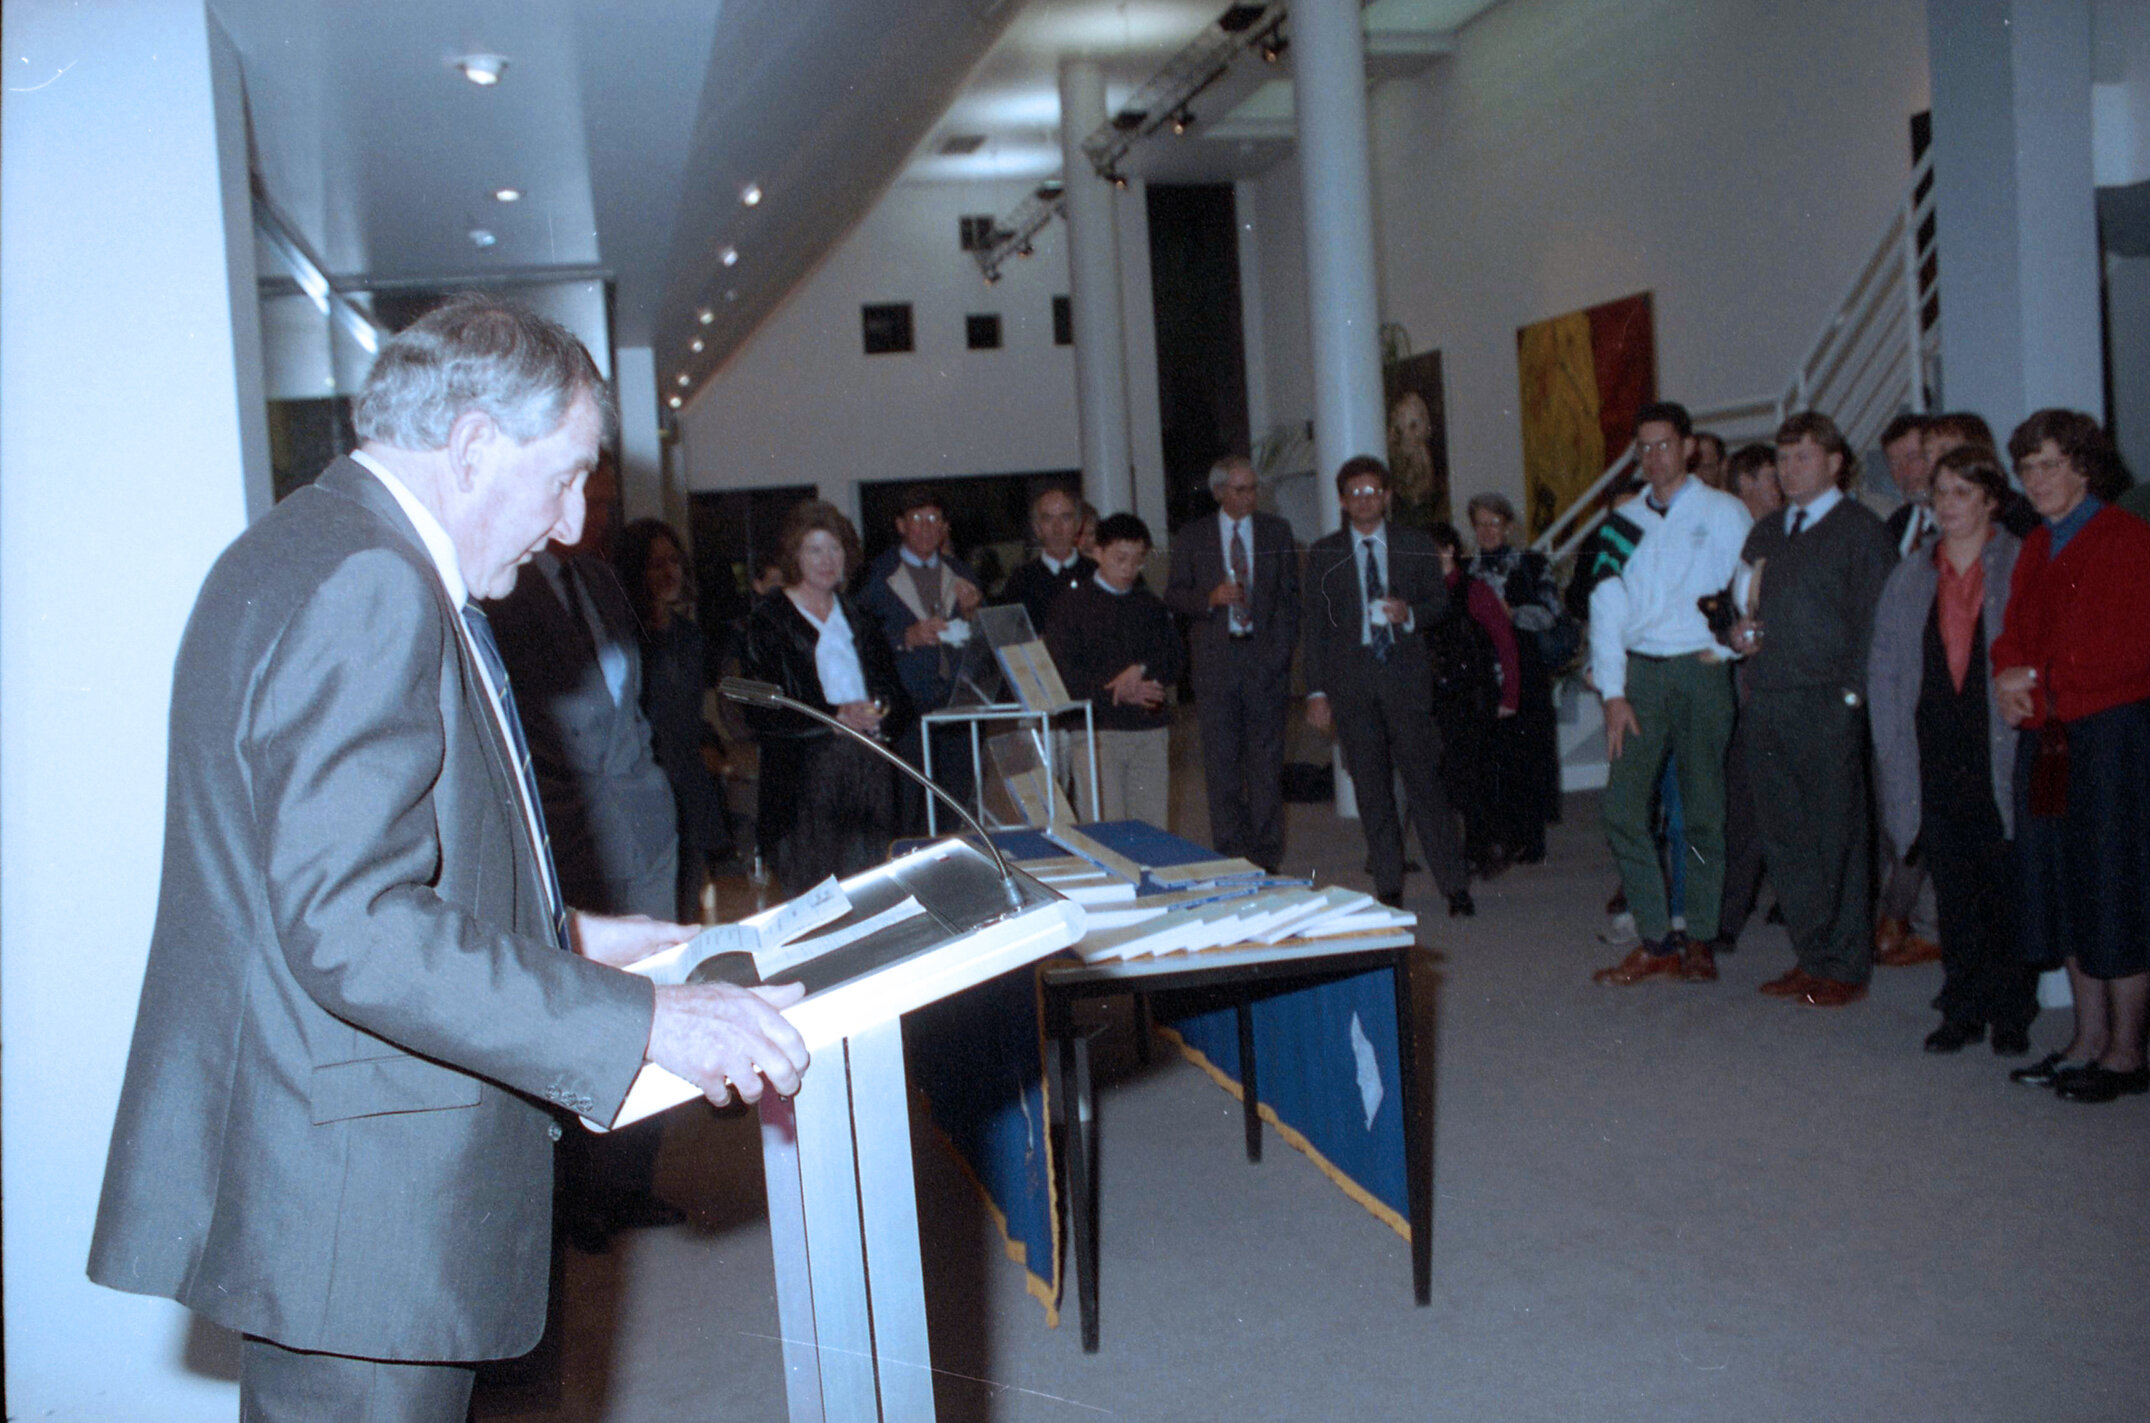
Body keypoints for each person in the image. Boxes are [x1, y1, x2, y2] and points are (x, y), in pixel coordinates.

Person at [85, 296, 808, 1421]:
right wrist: (642, 1022)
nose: (573, 525)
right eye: (564, 476)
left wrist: (566, 935)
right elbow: (352, 923)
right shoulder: (367, 581)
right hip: (365, 1211)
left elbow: (320, 878)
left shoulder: (314, 545)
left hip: (334, 1179)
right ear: (471, 447)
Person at [483, 459, 684, 1258]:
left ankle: (630, 1180)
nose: (592, 518)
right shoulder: (504, 585)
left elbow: (627, 706)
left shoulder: (603, 582)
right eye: (582, 501)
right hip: (569, 833)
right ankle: (578, 1196)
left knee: (657, 990)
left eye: (605, 505)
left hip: (642, 816)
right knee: (581, 1005)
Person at [1990, 409, 2150, 1102]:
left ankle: (2126, 1051)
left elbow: (2130, 651)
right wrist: (2007, 674)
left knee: (2115, 890)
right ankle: (2085, 1038)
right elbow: (2013, 632)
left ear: (2084, 466)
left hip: (2108, 739)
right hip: (2048, 739)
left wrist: (2045, 682)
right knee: (2063, 886)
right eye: (2026, 467)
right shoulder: (2035, 545)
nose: (2036, 479)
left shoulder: (2125, 539)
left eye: (2049, 464)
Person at [1867, 445, 2038, 1054]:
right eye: (1940, 493)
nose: (1949, 505)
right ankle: (1961, 1005)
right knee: (1954, 889)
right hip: (1932, 749)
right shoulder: (1911, 573)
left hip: (2000, 750)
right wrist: (1890, 749)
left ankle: (2011, 1010)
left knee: (2006, 883)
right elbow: (1885, 668)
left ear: (1992, 499)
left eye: (1964, 492)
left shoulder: (2021, 563)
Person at [1733, 411, 1896, 1008]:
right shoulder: (1767, 533)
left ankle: (1846, 964)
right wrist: (1736, 635)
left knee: (1838, 836)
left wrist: (1853, 697)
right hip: (1768, 696)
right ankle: (1812, 955)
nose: (1789, 468)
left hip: (1828, 701)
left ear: (1835, 463)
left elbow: (1878, 626)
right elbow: (1739, 606)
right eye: (1783, 457)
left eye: (1803, 456)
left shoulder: (1860, 531)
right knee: (1785, 835)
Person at [1585, 401, 1751, 986]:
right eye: (1644, 447)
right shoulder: (1621, 522)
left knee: (1703, 812)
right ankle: (1655, 937)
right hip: (1642, 676)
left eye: (1664, 445)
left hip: (1702, 674)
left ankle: (1699, 935)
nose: (1654, 458)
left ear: (1689, 449)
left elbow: (1749, 589)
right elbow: (1604, 608)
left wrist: (1729, 650)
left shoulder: (1726, 512)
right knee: (1623, 808)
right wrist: (1613, 691)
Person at [1304, 457, 1474, 916]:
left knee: (1426, 786)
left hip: (1404, 679)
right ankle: (1388, 885)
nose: (1364, 500)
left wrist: (1411, 613)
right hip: (1352, 685)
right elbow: (1315, 628)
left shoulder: (1414, 544)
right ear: (1342, 501)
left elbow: (1442, 602)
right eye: (1355, 493)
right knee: (1372, 791)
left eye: (1372, 491)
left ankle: (1455, 887)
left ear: (1387, 497)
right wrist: (1316, 692)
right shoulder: (1324, 553)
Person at [744, 501, 914, 890]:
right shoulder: (769, 621)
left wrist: (879, 710)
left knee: (872, 893)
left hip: (869, 774)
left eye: (834, 549)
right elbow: (758, 709)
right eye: (814, 549)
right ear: (795, 557)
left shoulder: (861, 619)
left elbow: (898, 699)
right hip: (805, 783)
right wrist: (835, 716)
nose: (827, 560)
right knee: (816, 904)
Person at [1165, 457, 1301, 871]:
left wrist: (1280, 654)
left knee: (1265, 764)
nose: (1249, 497)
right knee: (1221, 762)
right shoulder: (1193, 536)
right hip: (1216, 665)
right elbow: (1174, 595)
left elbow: (1291, 601)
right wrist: (1210, 598)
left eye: (1253, 489)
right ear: (1219, 492)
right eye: (1240, 489)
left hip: (1264, 663)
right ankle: (1229, 849)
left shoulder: (1277, 532)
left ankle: (1267, 853)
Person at [617, 517, 736, 922]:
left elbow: (688, 712)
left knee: (687, 906)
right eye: (656, 564)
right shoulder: (625, 637)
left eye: (674, 562)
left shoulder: (689, 635)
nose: (669, 573)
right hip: (648, 783)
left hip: (689, 782)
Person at [855, 485, 983, 820]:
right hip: (905, 708)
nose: (927, 527)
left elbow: (985, 641)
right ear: (900, 525)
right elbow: (860, 640)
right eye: (917, 519)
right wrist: (905, 638)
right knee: (908, 805)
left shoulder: (963, 574)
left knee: (956, 803)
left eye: (934, 519)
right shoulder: (876, 577)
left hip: (957, 706)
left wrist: (973, 615)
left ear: (945, 527)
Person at [1045, 513, 1182, 825]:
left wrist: (1140, 669)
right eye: (1121, 558)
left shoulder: (1149, 604)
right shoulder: (1071, 605)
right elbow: (1065, 677)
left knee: (1151, 830)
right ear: (1098, 552)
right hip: (1098, 733)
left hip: (1148, 731)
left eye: (1137, 560)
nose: (1129, 569)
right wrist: (1123, 691)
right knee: (1108, 828)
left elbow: (1175, 659)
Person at [1711, 442, 1784, 955]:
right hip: (1744, 689)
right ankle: (1728, 917)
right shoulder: (1739, 544)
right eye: (1755, 481)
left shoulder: (1792, 538)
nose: (1767, 489)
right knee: (1742, 807)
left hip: (1788, 690)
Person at [1466, 490, 1566, 865]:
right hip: (1483, 675)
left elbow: (1552, 612)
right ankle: (1500, 836)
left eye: (1495, 522)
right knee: (1492, 756)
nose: (1488, 530)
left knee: (1528, 755)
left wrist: (1510, 614)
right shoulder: (1467, 570)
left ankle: (1531, 837)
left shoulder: (1530, 562)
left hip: (1525, 671)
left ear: (1508, 526)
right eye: (1481, 524)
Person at [1430, 522, 1520, 874]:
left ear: (1450, 550)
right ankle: (1473, 849)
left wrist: (1510, 695)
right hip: (1441, 698)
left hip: (1475, 697)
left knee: (1477, 777)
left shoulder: (1474, 590)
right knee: (1455, 778)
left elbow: (1505, 644)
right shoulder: (1424, 593)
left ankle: (1481, 848)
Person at [1001, 485, 1094, 635]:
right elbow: (1011, 637)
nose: (1057, 528)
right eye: (1048, 519)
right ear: (1037, 529)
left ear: (1078, 525)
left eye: (1065, 518)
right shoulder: (1020, 581)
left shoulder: (1096, 574)